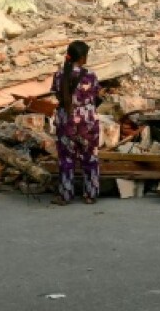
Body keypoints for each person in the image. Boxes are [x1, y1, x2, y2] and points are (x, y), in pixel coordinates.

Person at [51, 40, 100, 205]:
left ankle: (65, 194)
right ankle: (90, 194)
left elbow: (57, 95)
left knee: (66, 159)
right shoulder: (90, 75)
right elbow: (95, 96)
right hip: (87, 120)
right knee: (90, 157)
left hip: (66, 118)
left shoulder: (59, 74)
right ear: (82, 58)